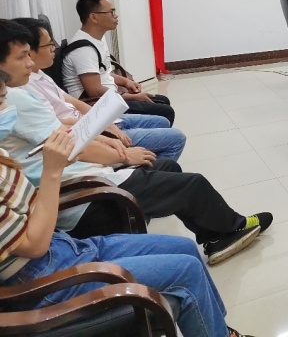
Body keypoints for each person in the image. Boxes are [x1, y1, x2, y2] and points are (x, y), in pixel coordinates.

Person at [0, 73, 256, 337]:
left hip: (65, 247)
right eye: (0, 102)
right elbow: (35, 246)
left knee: (187, 248)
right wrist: (52, 172)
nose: (8, 109)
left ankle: (221, 331)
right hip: (39, 274)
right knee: (187, 271)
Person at [0, 20, 272, 265]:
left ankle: (213, 233)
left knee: (167, 167)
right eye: (22, 57)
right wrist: (124, 156)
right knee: (192, 183)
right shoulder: (15, 98)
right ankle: (231, 229)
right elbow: (71, 147)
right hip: (81, 193)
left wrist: (109, 144)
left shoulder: (21, 90)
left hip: (80, 177)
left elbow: (65, 131)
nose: (30, 63)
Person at [14, 17, 185, 163]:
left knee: (162, 120)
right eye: (49, 44)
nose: (54, 48)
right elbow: (61, 122)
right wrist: (105, 127)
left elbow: (74, 101)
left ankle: (152, 165)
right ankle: (151, 171)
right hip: (88, 132)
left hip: (95, 120)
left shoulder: (39, 74)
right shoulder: (24, 87)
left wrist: (106, 122)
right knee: (175, 136)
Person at [62, 0, 176, 125]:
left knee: (162, 101)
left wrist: (126, 82)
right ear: (94, 17)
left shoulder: (97, 39)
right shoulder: (83, 50)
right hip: (97, 106)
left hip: (109, 98)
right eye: (111, 12)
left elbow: (104, 73)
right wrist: (131, 97)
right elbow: (94, 91)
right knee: (165, 111)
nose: (115, 16)